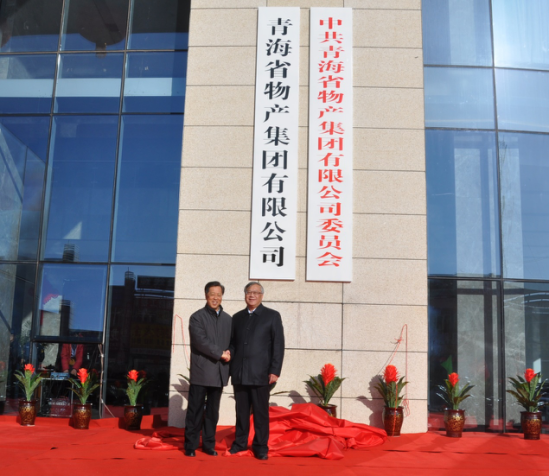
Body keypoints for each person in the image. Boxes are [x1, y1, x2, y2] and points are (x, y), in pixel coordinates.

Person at [229, 282, 285, 460]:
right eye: (249, 292)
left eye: (256, 292)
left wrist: (275, 370)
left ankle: (260, 446)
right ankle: (240, 443)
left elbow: (278, 345)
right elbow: (233, 344)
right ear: (244, 294)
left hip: (261, 373)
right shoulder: (237, 317)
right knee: (241, 412)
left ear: (261, 296)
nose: (252, 295)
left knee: (260, 413)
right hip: (240, 373)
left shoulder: (272, 316)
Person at [184, 281, 232, 457]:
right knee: (195, 410)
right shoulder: (197, 317)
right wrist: (221, 353)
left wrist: (230, 352)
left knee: (212, 412)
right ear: (206, 295)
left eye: (219, 294)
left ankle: (208, 445)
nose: (215, 298)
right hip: (202, 371)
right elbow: (200, 342)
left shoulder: (228, 319)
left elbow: (233, 342)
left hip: (219, 372)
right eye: (212, 294)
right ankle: (190, 445)